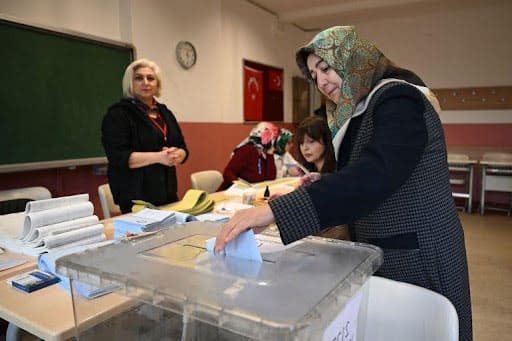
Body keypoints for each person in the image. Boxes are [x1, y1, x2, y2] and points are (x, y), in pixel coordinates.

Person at [215, 26, 472, 340]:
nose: (321, 82)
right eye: (314, 76)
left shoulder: (398, 98)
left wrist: (275, 211)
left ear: (354, 57)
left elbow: (375, 173)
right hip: (385, 248)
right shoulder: (358, 109)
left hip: (418, 253)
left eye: (325, 68)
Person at [101, 58, 189, 213]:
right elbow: (119, 157)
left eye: (150, 78)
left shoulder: (165, 113)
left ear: (157, 84)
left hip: (167, 193)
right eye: (139, 78)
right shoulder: (118, 114)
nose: (145, 82)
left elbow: (182, 148)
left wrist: (177, 155)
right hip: (135, 197)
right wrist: (160, 157)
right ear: (130, 83)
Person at [217, 122, 279, 191]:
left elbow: (270, 179)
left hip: (252, 193)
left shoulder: (263, 155)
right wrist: (240, 185)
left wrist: (270, 155)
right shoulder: (246, 151)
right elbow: (228, 173)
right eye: (272, 138)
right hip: (230, 193)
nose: (273, 142)